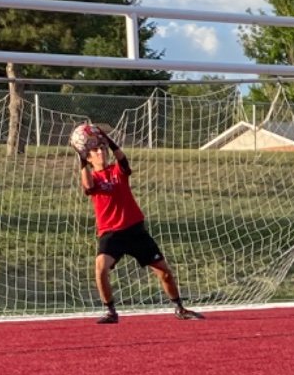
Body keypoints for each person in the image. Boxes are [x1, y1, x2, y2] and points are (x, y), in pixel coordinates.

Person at [78, 126, 205, 324]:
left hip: (135, 230)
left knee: (164, 272)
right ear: (88, 157)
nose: (101, 152)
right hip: (111, 234)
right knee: (100, 268)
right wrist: (80, 157)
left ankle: (179, 307)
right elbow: (88, 186)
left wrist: (108, 139)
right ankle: (111, 311)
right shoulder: (92, 177)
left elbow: (123, 160)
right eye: (95, 150)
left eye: (102, 149)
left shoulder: (116, 171)